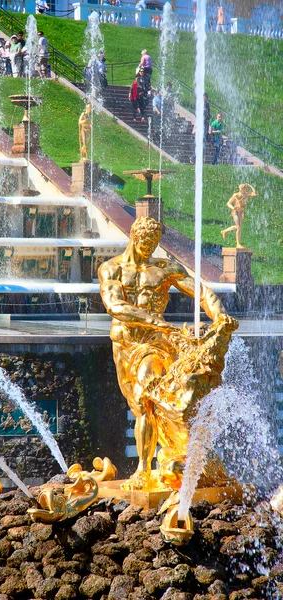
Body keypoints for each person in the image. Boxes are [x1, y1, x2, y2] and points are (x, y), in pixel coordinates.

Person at [98, 216, 238, 490]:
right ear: (133, 236)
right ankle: (170, 455)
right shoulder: (111, 269)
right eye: (145, 241)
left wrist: (221, 316)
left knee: (145, 394)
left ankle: (142, 469)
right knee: (138, 405)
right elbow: (114, 306)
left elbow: (201, 291)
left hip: (155, 344)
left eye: (154, 242)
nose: (149, 247)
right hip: (125, 344)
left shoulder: (164, 268)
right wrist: (153, 320)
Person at [221, 184, 257, 248]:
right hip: (235, 212)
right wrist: (232, 208)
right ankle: (238, 244)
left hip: (241, 213)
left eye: (244, 188)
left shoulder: (246, 194)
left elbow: (255, 193)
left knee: (238, 227)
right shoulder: (236, 195)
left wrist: (250, 186)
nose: (242, 190)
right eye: (242, 188)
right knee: (239, 228)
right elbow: (228, 203)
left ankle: (224, 231)